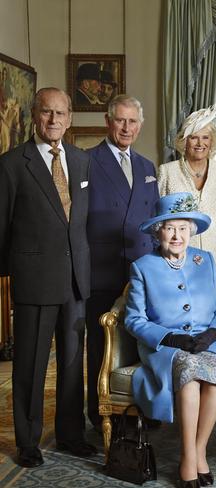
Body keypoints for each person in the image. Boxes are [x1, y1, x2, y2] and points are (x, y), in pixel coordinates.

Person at [124, 192, 216, 487]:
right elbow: (134, 320)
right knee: (191, 374)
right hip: (166, 347)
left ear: (191, 231)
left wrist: (212, 335)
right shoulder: (142, 267)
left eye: (183, 228)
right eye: (169, 228)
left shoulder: (206, 261)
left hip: (206, 341)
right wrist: (170, 338)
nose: (177, 235)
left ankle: (197, 451)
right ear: (158, 232)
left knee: (213, 376)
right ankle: (188, 456)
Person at [0, 87, 96, 467]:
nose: (53, 120)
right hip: (34, 279)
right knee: (30, 364)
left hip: (76, 279)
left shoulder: (80, 160)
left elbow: (80, 222)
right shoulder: (11, 164)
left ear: (69, 118)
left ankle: (71, 434)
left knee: (72, 364)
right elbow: (1, 227)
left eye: (60, 113)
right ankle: (27, 441)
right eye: (46, 113)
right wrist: (11, 277)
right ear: (34, 115)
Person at [86, 94, 159, 430]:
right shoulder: (87, 161)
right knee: (102, 346)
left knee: (140, 343)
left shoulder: (146, 167)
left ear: (140, 126)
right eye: (121, 120)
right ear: (108, 121)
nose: (127, 127)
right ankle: (101, 412)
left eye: (133, 122)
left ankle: (142, 409)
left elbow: (155, 220)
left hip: (141, 269)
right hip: (102, 268)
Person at [158, 104, 216, 280]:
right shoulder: (167, 171)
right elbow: (158, 219)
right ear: (184, 141)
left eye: (205, 138)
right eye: (194, 137)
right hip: (178, 257)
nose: (200, 143)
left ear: (212, 142)